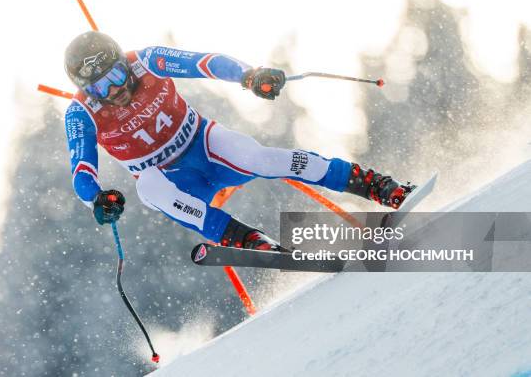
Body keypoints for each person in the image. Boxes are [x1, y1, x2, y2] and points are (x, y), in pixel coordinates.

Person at [63, 31, 415, 251]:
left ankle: (379, 187)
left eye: (116, 76)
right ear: (86, 89)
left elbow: (205, 62)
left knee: (262, 159)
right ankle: (251, 242)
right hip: (171, 178)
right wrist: (97, 199)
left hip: (204, 145)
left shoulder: (146, 61)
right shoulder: (81, 112)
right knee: (150, 190)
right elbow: (81, 169)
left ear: (123, 63)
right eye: (100, 87)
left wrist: (248, 75)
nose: (116, 90)